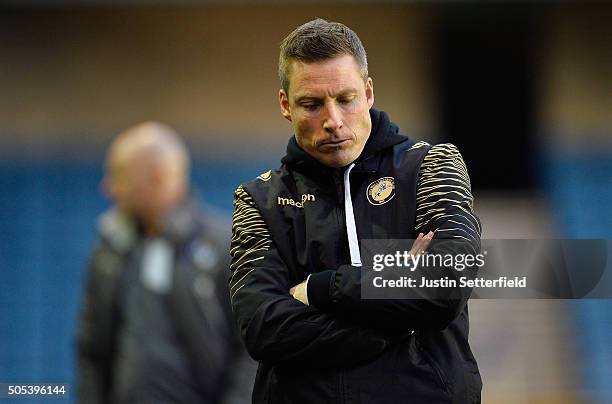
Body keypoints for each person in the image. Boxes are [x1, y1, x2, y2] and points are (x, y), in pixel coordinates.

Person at [229, 18, 482, 403]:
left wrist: (320, 289)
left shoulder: (431, 167)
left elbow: (445, 283)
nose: (332, 121)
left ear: (368, 93)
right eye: (312, 104)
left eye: (345, 99)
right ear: (286, 105)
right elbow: (264, 328)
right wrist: (395, 314)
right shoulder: (258, 200)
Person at [76, 122, 255, 403]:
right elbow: (91, 352)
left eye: (118, 175)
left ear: (157, 177)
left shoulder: (226, 246)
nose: (107, 188)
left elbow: (251, 352)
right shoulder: (110, 251)